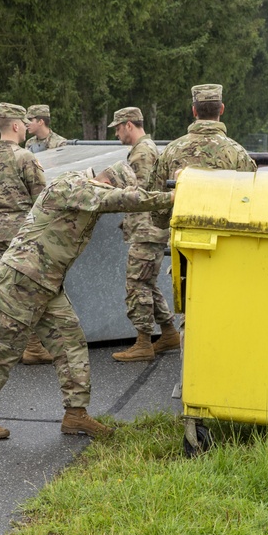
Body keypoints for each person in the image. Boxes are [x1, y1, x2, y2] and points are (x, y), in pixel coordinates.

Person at [0, 161, 174, 440]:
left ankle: (76, 415)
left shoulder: (84, 189)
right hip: (22, 279)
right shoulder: (73, 185)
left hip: (46, 282)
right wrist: (173, 196)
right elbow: (118, 199)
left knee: (70, 341)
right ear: (108, 182)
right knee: (4, 347)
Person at [0, 102, 52, 365]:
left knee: (4, 290)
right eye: (23, 125)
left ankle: (2, 348)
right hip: (23, 235)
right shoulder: (25, 157)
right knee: (30, 291)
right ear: (16, 125)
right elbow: (42, 200)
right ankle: (32, 347)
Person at [108, 107, 179, 362]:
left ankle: (143, 343)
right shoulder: (144, 149)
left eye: (117, 127)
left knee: (136, 284)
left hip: (147, 228)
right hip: (147, 226)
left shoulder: (142, 152)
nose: (116, 133)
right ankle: (169, 332)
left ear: (129, 125)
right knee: (146, 283)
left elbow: (143, 193)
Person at [149, 84, 257, 229]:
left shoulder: (171, 150)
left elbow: (158, 213)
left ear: (194, 110)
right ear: (222, 109)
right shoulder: (238, 153)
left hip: (181, 241)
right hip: (223, 241)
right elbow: (248, 204)